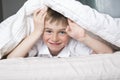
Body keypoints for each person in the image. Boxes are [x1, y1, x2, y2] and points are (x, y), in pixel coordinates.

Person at [7, 8, 113, 58]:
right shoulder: (39, 43)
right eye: (48, 31)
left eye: (62, 32)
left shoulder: (73, 45)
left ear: (70, 32)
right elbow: (12, 58)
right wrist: (37, 32)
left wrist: (83, 37)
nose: (54, 38)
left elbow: (108, 52)